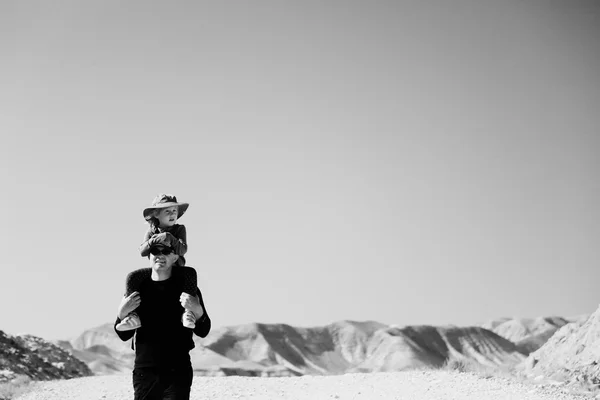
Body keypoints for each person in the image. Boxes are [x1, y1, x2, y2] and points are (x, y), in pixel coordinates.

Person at [114, 241, 211, 400]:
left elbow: (203, 330)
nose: (160, 256)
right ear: (149, 257)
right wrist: (122, 312)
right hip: (145, 371)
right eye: (155, 252)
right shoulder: (138, 287)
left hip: (178, 371)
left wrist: (197, 310)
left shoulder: (187, 288)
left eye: (166, 251)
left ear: (175, 257)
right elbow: (124, 334)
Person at [116, 194, 198, 331]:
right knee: (133, 277)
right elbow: (142, 251)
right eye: (167, 211)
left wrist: (169, 238)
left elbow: (183, 250)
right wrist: (154, 240)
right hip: (156, 271)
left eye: (174, 211)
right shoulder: (151, 231)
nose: (172, 214)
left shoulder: (179, 229)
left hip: (177, 269)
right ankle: (133, 315)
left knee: (190, 273)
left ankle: (188, 313)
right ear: (156, 214)